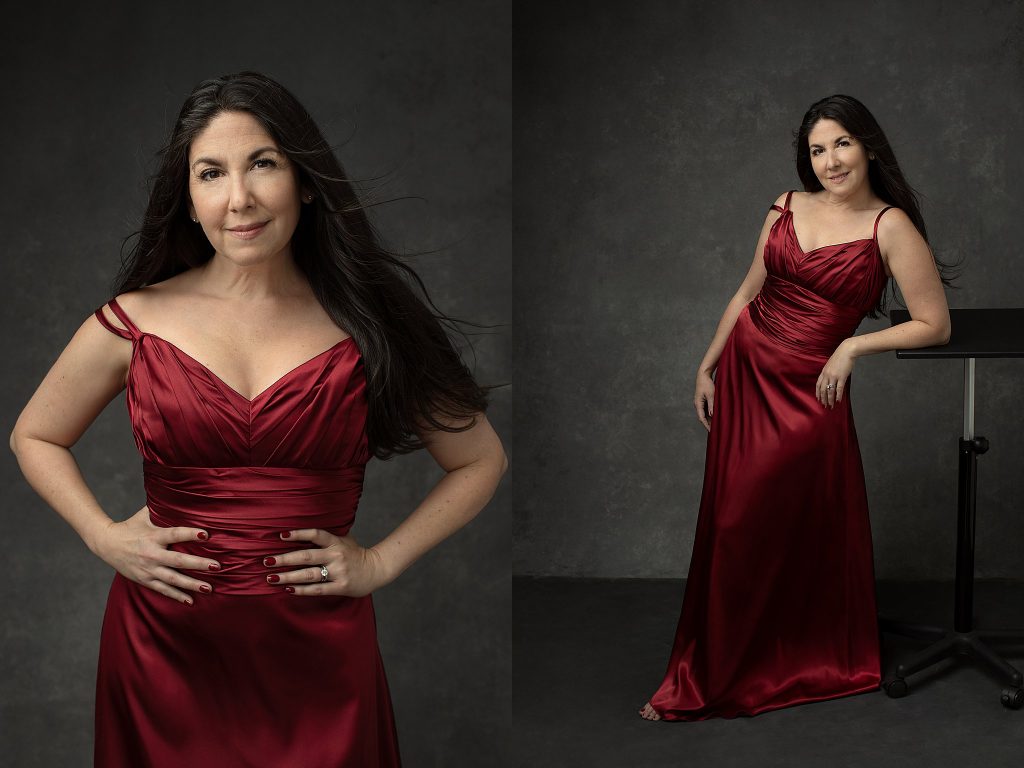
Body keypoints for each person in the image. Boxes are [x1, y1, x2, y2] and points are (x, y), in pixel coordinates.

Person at [10, 71, 507, 765]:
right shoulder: (135, 321)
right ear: (187, 198)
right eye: (211, 173)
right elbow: (33, 434)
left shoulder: (369, 323)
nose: (238, 198)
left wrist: (381, 560)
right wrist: (102, 536)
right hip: (161, 650)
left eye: (262, 164)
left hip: (321, 654)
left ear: (306, 180)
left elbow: (481, 458)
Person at [639, 94, 952, 721]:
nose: (830, 161)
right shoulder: (786, 205)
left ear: (866, 145)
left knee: (769, 524)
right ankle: (718, 668)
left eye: (841, 144)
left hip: (811, 391)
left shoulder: (889, 226)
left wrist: (853, 348)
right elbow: (749, 288)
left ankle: (766, 664)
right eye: (817, 149)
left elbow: (934, 324)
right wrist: (708, 361)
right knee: (733, 522)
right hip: (747, 374)